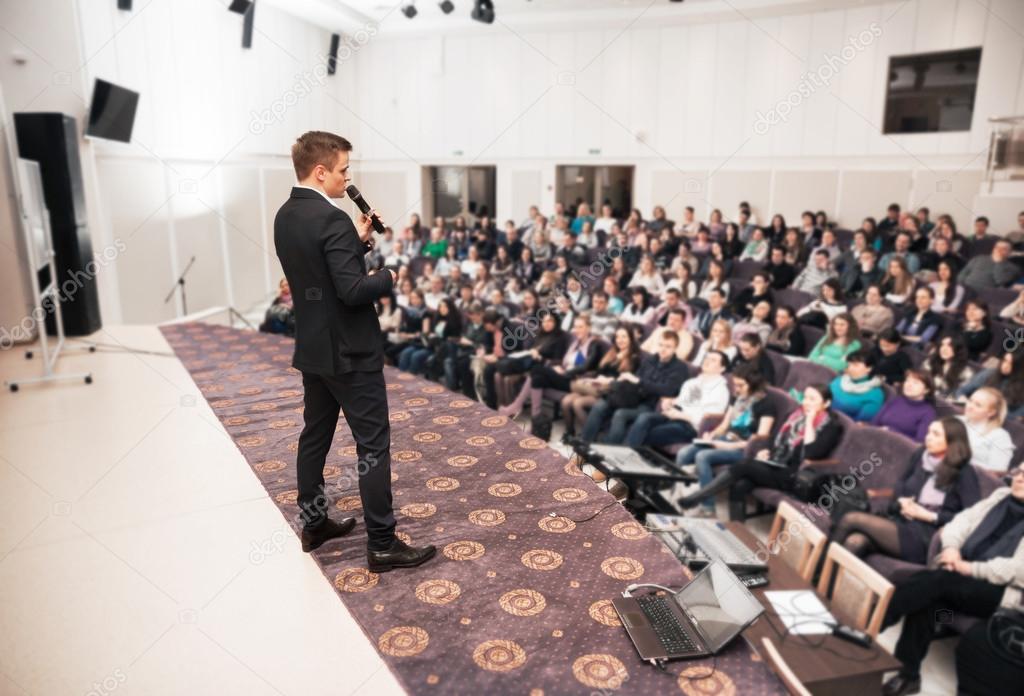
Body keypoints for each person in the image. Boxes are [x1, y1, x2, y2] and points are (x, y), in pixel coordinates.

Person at [273, 131, 434, 570]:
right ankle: (382, 543)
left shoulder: (286, 216)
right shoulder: (332, 219)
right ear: (321, 171)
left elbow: (321, 277)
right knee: (374, 446)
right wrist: (390, 274)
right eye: (344, 169)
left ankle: (314, 522)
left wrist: (358, 242)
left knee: (315, 436)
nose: (348, 178)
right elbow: (352, 290)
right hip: (350, 352)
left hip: (314, 348)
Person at [879, 471, 1024, 696]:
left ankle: (873, 623)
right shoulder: (1000, 496)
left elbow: (1019, 570)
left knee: (937, 583)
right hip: (959, 588)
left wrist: (968, 568)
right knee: (929, 603)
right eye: (1020, 472)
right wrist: (951, 549)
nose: (1020, 478)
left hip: (997, 597)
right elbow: (961, 522)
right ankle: (908, 675)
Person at [676, 384, 844, 521]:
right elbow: (777, 440)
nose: (806, 402)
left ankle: (697, 497)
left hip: (796, 476)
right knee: (741, 484)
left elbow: (811, 453)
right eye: (806, 397)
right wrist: (767, 452)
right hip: (777, 465)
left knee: (745, 465)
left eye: (813, 399)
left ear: (826, 404)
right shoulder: (795, 416)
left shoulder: (831, 426)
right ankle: (736, 530)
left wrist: (809, 421)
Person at [674, 365, 777, 517]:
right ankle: (676, 494)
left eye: (741, 385)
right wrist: (712, 436)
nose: (737, 388)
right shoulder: (738, 397)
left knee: (703, 456)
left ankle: (707, 507)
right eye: (735, 384)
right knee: (684, 452)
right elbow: (724, 425)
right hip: (727, 440)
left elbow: (760, 440)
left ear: (753, 384)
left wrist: (728, 445)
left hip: (745, 449)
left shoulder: (766, 404)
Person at [579, 331, 688, 444]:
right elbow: (636, 379)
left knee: (620, 414)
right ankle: (584, 442)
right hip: (634, 397)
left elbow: (667, 390)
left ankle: (608, 448)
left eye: (668, 346)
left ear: (675, 348)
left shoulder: (680, 368)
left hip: (650, 404)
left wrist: (640, 382)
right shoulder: (650, 359)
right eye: (661, 345)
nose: (663, 349)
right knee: (601, 405)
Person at [500, 314, 600, 421]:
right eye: (575, 327)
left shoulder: (593, 345)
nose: (577, 330)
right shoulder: (575, 343)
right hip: (564, 375)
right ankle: (536, 418)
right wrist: (560, 368)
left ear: (588, 328)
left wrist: (564, 372)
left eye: (580, 327)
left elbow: (585, 367)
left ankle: (516, 406)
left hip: (574, 380)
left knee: (537, 370)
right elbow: (565, 361)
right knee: (537, 378)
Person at [623, 350, 731, 449]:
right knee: (644, 418)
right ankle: (624, 453)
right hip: (675, 417)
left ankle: (627, 457)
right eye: (706, 358)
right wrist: (670, 402)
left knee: (649, 433)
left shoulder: (721, 390)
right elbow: (681, 401)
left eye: (713, 360)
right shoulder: (692, 382)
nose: (707, 361)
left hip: (690, 426)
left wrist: (683, 416)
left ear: (722, 368)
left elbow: (709, 418)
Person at [561, 326, 641, 437]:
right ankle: (569, 433)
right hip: (597, 385)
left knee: (577, 403)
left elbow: (625, 382)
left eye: (624, 337)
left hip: (610, 391)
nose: (620, 340)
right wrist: (592, 379)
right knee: (566, 401)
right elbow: (599, 372)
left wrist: (608, 380)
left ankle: (588, 438)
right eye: (617, 337)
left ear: (631, 339)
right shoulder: (612, 352)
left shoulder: (634, 357)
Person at [871, 369, 938, 443]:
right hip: (877, 440)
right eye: (907, 381)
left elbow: (919, 443)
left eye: (915, 383)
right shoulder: (896, 400)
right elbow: (874, 423)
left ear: (926, 390)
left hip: (900, 449)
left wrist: (891, 432)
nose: (909, 385)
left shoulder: (928, 412)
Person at [960, 387, 1015, 472]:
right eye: (970, 401)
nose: (970, 406)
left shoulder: (1000, 436)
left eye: (978, 405)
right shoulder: (957, 420)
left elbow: (998, 471)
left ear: (991, 412)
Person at [958, 350, 1024, 419]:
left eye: (1011, 364)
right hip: (974, 413)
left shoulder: (1021, 387)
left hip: (999, 422)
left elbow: (1018, 414)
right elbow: (961, 391)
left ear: (1018, 367)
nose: (1005, 365)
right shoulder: (990, 373)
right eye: (1004, 360)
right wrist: (965, 401)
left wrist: (992, 414)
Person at [829, 350, 884, 422]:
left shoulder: (875, 394)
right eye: (849, 364)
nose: (849, 368)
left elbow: (859, 424)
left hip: (839, 426)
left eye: (855, 365)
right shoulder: (840, 379)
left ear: (869, 368)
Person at [927, 334, 975, 400]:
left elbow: (958, 395)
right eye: (942, 345)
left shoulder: (966, 372)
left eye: (949, 346)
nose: (944, 349)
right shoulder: (930, 362)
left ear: (958, 349)